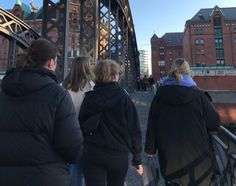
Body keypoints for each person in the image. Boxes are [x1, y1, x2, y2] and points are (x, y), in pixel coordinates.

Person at [0, 38, 83, 186]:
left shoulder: (3, 90)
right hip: (46, 177)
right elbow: (72, 149)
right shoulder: (58, 94)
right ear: (51, 62)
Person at [145, 58, 220, 186]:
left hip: (170, 161)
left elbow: (152, 124)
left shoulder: (160, 95)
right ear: (188, 72)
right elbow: (214, 123)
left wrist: (150, 150)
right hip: (198, 161)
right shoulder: (199, 96)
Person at [79, 59, 143, 186]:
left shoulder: (89, 97)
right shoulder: (124, 97)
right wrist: (137, 157)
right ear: (115, 76)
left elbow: (81, 126)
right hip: (118, 154)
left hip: (93, 153)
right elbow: (134, 129)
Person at [63, 56, 94, 186]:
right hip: (88, 135)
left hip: (68, 134)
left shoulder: (63, 86)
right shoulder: (93, 87)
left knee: (74, 170)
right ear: (88, 67)